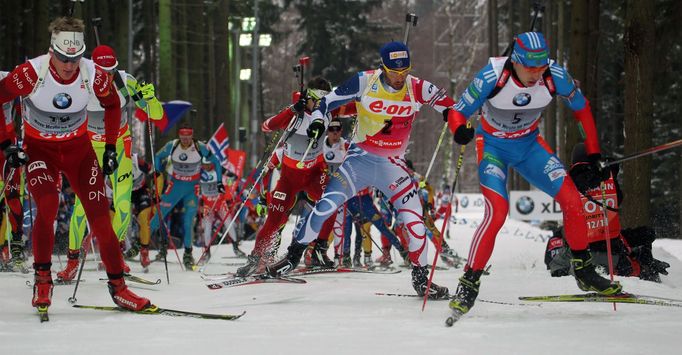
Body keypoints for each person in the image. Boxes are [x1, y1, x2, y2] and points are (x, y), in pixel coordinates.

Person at [446, 31, 622, 317]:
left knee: (573, 201)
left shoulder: (555, 75)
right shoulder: (493, 74)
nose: (536, 74)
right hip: (492, 147)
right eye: (530, 67)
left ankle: (584, 269)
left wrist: (594, 154)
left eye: (541, 67)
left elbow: (583, 109)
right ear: (515, 60)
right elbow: (458, 111)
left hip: (529, 147)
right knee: (498, 212)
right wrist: (459, 130)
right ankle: (469, 282)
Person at [267, 41, 456, 299]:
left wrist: (456, 122)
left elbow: (450, 105)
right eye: (393, 71)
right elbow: (327, 102)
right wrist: (318, 123)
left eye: (404, 71)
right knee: (325, 207)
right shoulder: (364, 82)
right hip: (358, 163)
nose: (399, 77)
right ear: (383, 67)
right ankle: (292, 257)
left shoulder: (417, 87)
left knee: (414, 219)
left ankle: (421, 279)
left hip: (393, 167)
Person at [0, 17, 151, 312]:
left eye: (75, 58)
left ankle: (119, 287)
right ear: (51, 50)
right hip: (41, 151)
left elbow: (112, 105)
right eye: (63, 58)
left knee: (100, 215)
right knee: (47, 206)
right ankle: (43, 279)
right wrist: (6, 144)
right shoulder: (31, 73)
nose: (69, 65)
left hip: (79, 151)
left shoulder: (93, 74)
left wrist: (109, 147)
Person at [57, 45, 163, 281]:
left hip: (119, 145)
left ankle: (115, 258)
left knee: (123, 203)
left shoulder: (125, 81)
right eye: (103, 71)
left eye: (111, 70)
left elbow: (155, 115)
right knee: (82, 206)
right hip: (90, 146)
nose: (107, 76)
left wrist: (151, 98)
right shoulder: (79, 80)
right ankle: (73, 261)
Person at [236, 76, 338, 277]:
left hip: (314, 174)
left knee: (332, 203)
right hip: (289, 179)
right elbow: (267, 126)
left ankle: (318, 250)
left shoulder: (328, 112)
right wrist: (293, 109)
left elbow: (353, 106)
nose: (320, 106)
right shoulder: (295, 113)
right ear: (307, 96)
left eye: (323, 102)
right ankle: (257, 258)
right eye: (316, 101)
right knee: (274, 220)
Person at [544, 143, 670, 282]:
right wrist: (610, 174)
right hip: (606, 245)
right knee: (644, 237)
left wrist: (611, 174)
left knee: (646, 233)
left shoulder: (569, 179)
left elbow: (614, 199)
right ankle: (643, 266)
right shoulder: (595, 176)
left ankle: (644, 262)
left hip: (596, 242)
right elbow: (616, 198)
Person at [150, 124, 222, 269]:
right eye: (183, 138)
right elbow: (157, 156)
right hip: (175, 186)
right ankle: (141, 244)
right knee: (158, 215)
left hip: (192, 188)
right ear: (179, 136)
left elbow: (216, 161)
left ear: (192, 136)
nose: (185, 141)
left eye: (188, 138)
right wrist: (157, 173)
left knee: (188, 221)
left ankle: (188, 254)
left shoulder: (199, 147)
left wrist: (219, 181)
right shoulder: (172, 145)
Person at [0, 71, 26, 273]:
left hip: (9, 144)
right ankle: (3, 249)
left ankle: (16, 247)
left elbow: (24, 110)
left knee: (13, 196)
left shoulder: (9, 79)